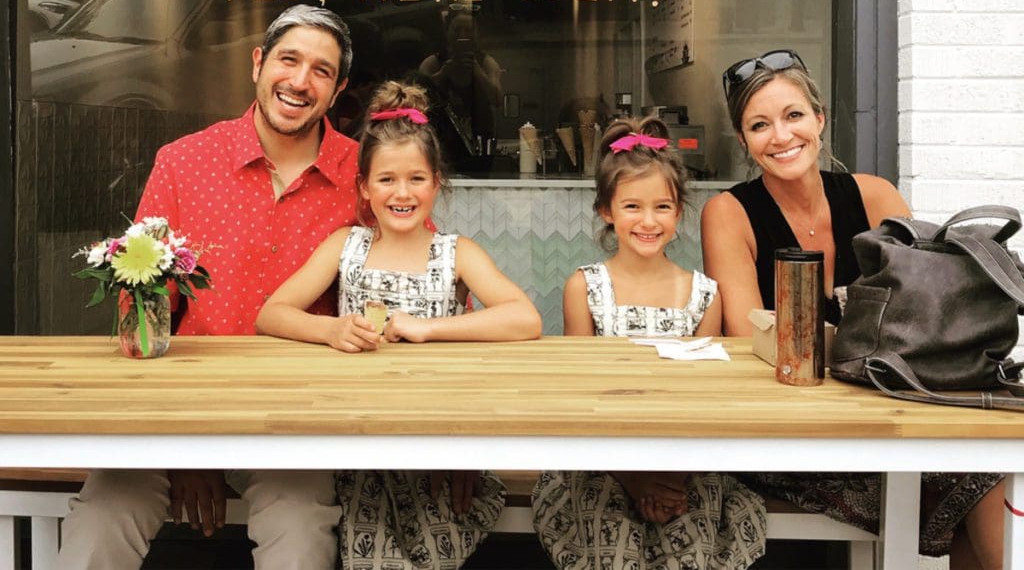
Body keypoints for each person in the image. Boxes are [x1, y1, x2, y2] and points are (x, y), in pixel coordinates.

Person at [57, 4, 360, 570]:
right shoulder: (183, 162)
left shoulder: (366, 177)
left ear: (338, 88)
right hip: (170, 417)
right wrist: (188, 446)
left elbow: (421, 277)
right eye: (288, 60)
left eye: (321, 70)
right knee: (96, 529)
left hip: (295, 424)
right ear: (257, 63)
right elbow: (140, 309)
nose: (299, 81)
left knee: (300, 540)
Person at [700, 49, 1004, 569]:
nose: (780, 136)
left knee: (985, 472)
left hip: (887, 418)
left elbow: (929, 317)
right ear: (744, 140)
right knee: (970, 484)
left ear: (819, 119)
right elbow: (749, 335)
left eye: (793, 115)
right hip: (794, 436)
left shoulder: (875, 195)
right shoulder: (728, 213)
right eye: (759, 125)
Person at [256, 79, 541, 569]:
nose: (402, 192)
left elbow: (525, 318)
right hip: (358, 439)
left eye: (416, 179)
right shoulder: (346, 246)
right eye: (386, 180)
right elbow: (271, 314)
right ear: (365, 188)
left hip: (438, 437)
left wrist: (428, 329)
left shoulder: (456, 254)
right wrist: (332, 330)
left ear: (437, 183)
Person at [531, 116, 767, 570]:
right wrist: (637, 480)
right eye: (632, 206)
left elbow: (704, 402)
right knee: (612, 544)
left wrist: (668, 477)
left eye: (662, 207)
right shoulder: (585, 288)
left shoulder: (704, 294)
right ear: (606, 210)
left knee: (691, 546)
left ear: (679, 213)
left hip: (684, 464)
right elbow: (580, 399)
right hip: (600, 465)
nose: (648, 220)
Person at [416, 5, 503, 167]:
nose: (463, 35)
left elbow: (497, 99)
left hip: (480, 144)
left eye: (469, 30)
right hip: (441, 143)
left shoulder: (486, 63)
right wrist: (443, 74)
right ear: (447, 32)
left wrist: (476, 70)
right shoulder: (433, 63)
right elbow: (417, 99)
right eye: (457, 30)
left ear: (477, 34)